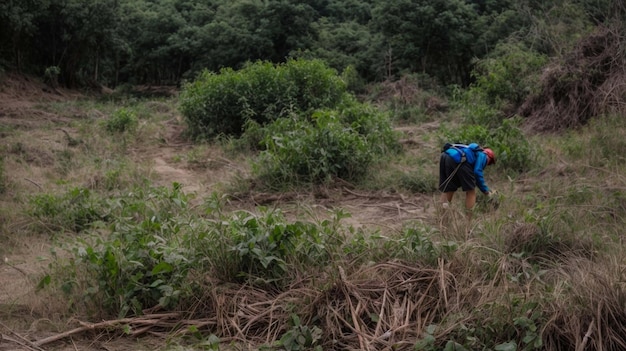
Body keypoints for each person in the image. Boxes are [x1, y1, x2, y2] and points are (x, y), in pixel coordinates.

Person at [438, 143, 496, 220]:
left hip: (446, 156)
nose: (487, 164)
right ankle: (468, 220)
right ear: (490, 157)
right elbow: (477, 172)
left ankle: (442, 216)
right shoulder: (484, 155)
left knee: (448, 188)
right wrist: (486, 191)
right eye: (489, 163)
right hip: (460, 160)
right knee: (471, 191)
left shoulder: (469, 149)